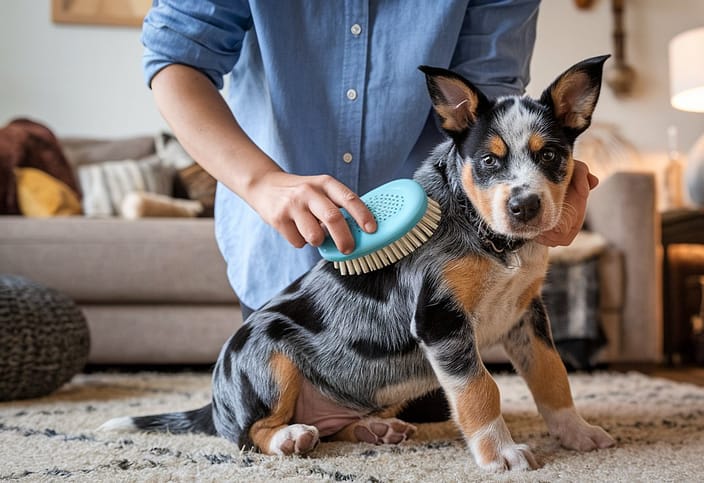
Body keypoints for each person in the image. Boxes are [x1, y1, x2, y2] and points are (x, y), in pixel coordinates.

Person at [141, 0, 598, 318]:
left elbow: (486, 103)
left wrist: (545, 178)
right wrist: (261, 181)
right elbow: (177, 59)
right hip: (283, 260)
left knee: (423, 427)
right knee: (284, 416)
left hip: (427, 267)